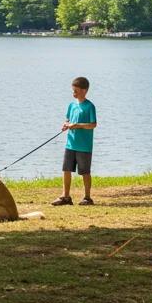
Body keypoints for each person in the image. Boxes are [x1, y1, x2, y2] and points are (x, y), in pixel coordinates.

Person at [51, 76, 97, 206]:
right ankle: (66, 197)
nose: (73, 93)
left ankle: (87, 198)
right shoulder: (71, 105)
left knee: (85, 172)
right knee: (66, 170)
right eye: (73, 90)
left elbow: (93, 124)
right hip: (70, 144)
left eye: (76, 90)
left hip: (84, 146)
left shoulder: (89, 106)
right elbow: (67, 119)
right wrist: (66, 124)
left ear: (84, 90)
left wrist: (77, 125)